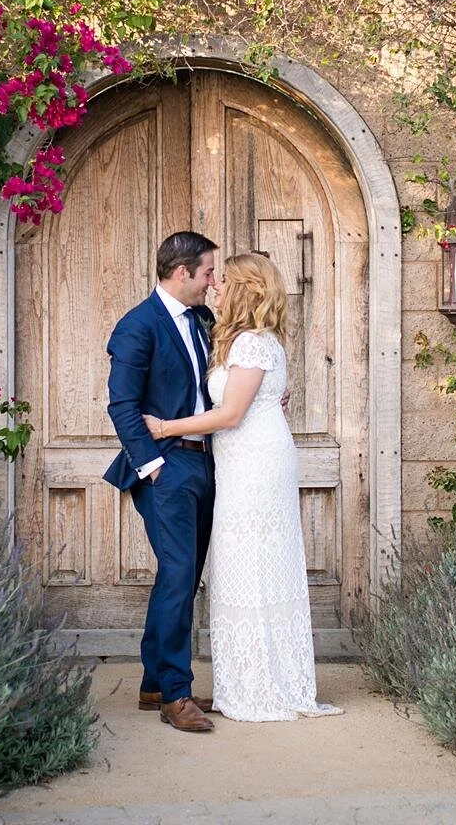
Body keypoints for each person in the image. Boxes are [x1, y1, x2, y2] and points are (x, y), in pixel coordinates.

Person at [144, 252, 343, 722]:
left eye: (224, 279)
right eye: (213, 277)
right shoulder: (235, 339)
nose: (215, 286)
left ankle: (263, 683)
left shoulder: (253, 342)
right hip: (236, 462)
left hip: (255, 463)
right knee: (240, 565)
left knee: (255, 565)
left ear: (246, 289)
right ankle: (246, 678)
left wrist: (164, 429)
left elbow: (231, 414)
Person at [104, 231, 220, 733]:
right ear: (182, 273)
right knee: (178, 573)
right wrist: (153, 467)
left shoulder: (204, 320)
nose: (214, 281)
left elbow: (209, 390)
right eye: (209, 272)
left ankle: (152, 682)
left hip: (206, 462)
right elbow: (122, 406)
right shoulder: (137, 326)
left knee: (182, 576)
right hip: (164, 467)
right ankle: (176, 693)